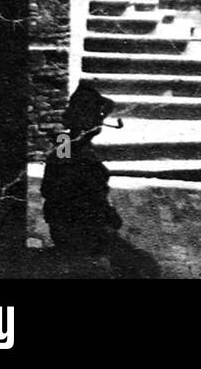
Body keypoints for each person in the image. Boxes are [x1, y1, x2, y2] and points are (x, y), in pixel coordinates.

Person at [41, 81, 160, 278]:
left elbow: (51, 187)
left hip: (60, 226)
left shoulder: (64, 145)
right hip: (81, 233)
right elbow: (96, 206)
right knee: (143, 267)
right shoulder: (87, 161)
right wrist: (111, 221)